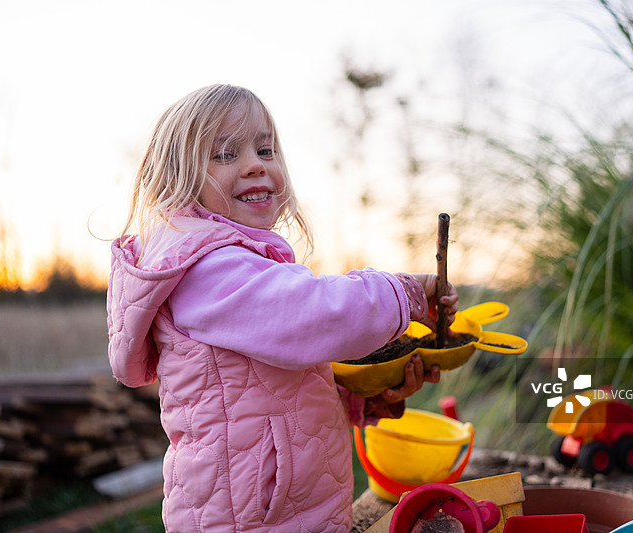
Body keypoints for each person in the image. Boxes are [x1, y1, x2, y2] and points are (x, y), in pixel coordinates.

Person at [107, 84, 459, 532]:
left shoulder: (237, 265)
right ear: (179, 180)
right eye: (225, 154)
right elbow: (315, 313)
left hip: (290, 514)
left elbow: (276, 388)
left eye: (265, 149)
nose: (256, 164)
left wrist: (360, 398)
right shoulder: (209, 269)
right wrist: (403, 294)